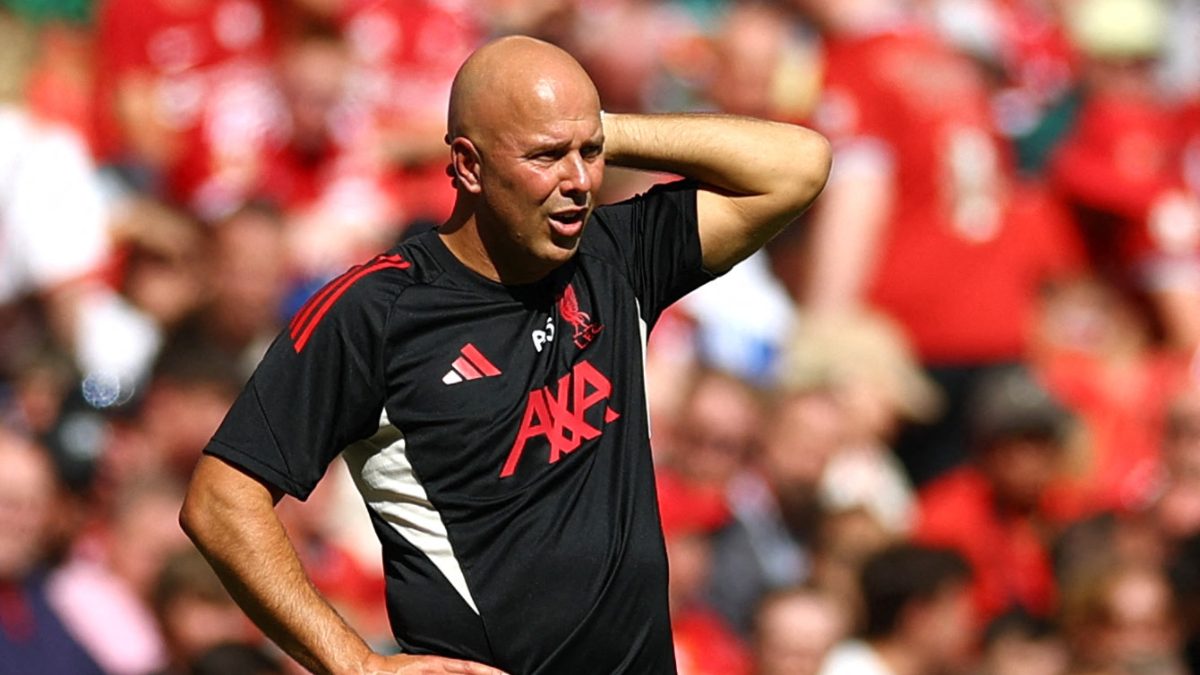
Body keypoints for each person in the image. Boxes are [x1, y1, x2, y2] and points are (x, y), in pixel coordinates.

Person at [179, 35, 831, 675]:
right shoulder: (378, 311)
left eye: (590, 153)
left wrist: (596, 127)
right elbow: (220, 500)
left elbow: (798, 165)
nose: (578, 181)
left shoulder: (616, 257)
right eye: (547, 155)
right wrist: (356, 663)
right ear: (467, 164)